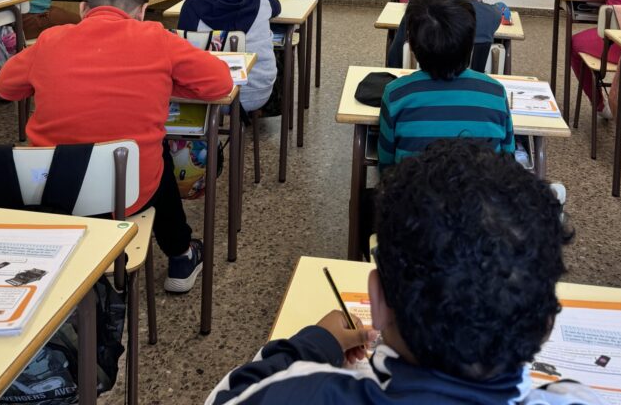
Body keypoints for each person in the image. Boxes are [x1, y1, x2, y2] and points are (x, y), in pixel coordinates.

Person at [205, 140, 597, 405]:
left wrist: (315, 343)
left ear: (377, 300)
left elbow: (228, 397)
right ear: (546, 324)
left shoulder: (306, 392)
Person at [0, 0, 232, 293]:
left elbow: (5, 87)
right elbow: (220, 82)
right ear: (142, 11)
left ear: (84, 8)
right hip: (127, 193)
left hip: (51, 190)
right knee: (155, 150)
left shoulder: (50, 40)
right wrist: (167, 83)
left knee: (137, 151)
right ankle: (181, 254)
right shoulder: (157, 38)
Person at [379, 0, 514, 171]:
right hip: (480, 189)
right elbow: (508, 161)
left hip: (414, 189)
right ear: (471, 41)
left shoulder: (396, 94)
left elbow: (386, 166)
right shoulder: (495, 93)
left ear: (411, 45)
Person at [178, 0, 281, 112]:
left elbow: (183, 52)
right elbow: (276, 8)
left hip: (216, 94)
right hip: (261, 89)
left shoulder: (192, 5)